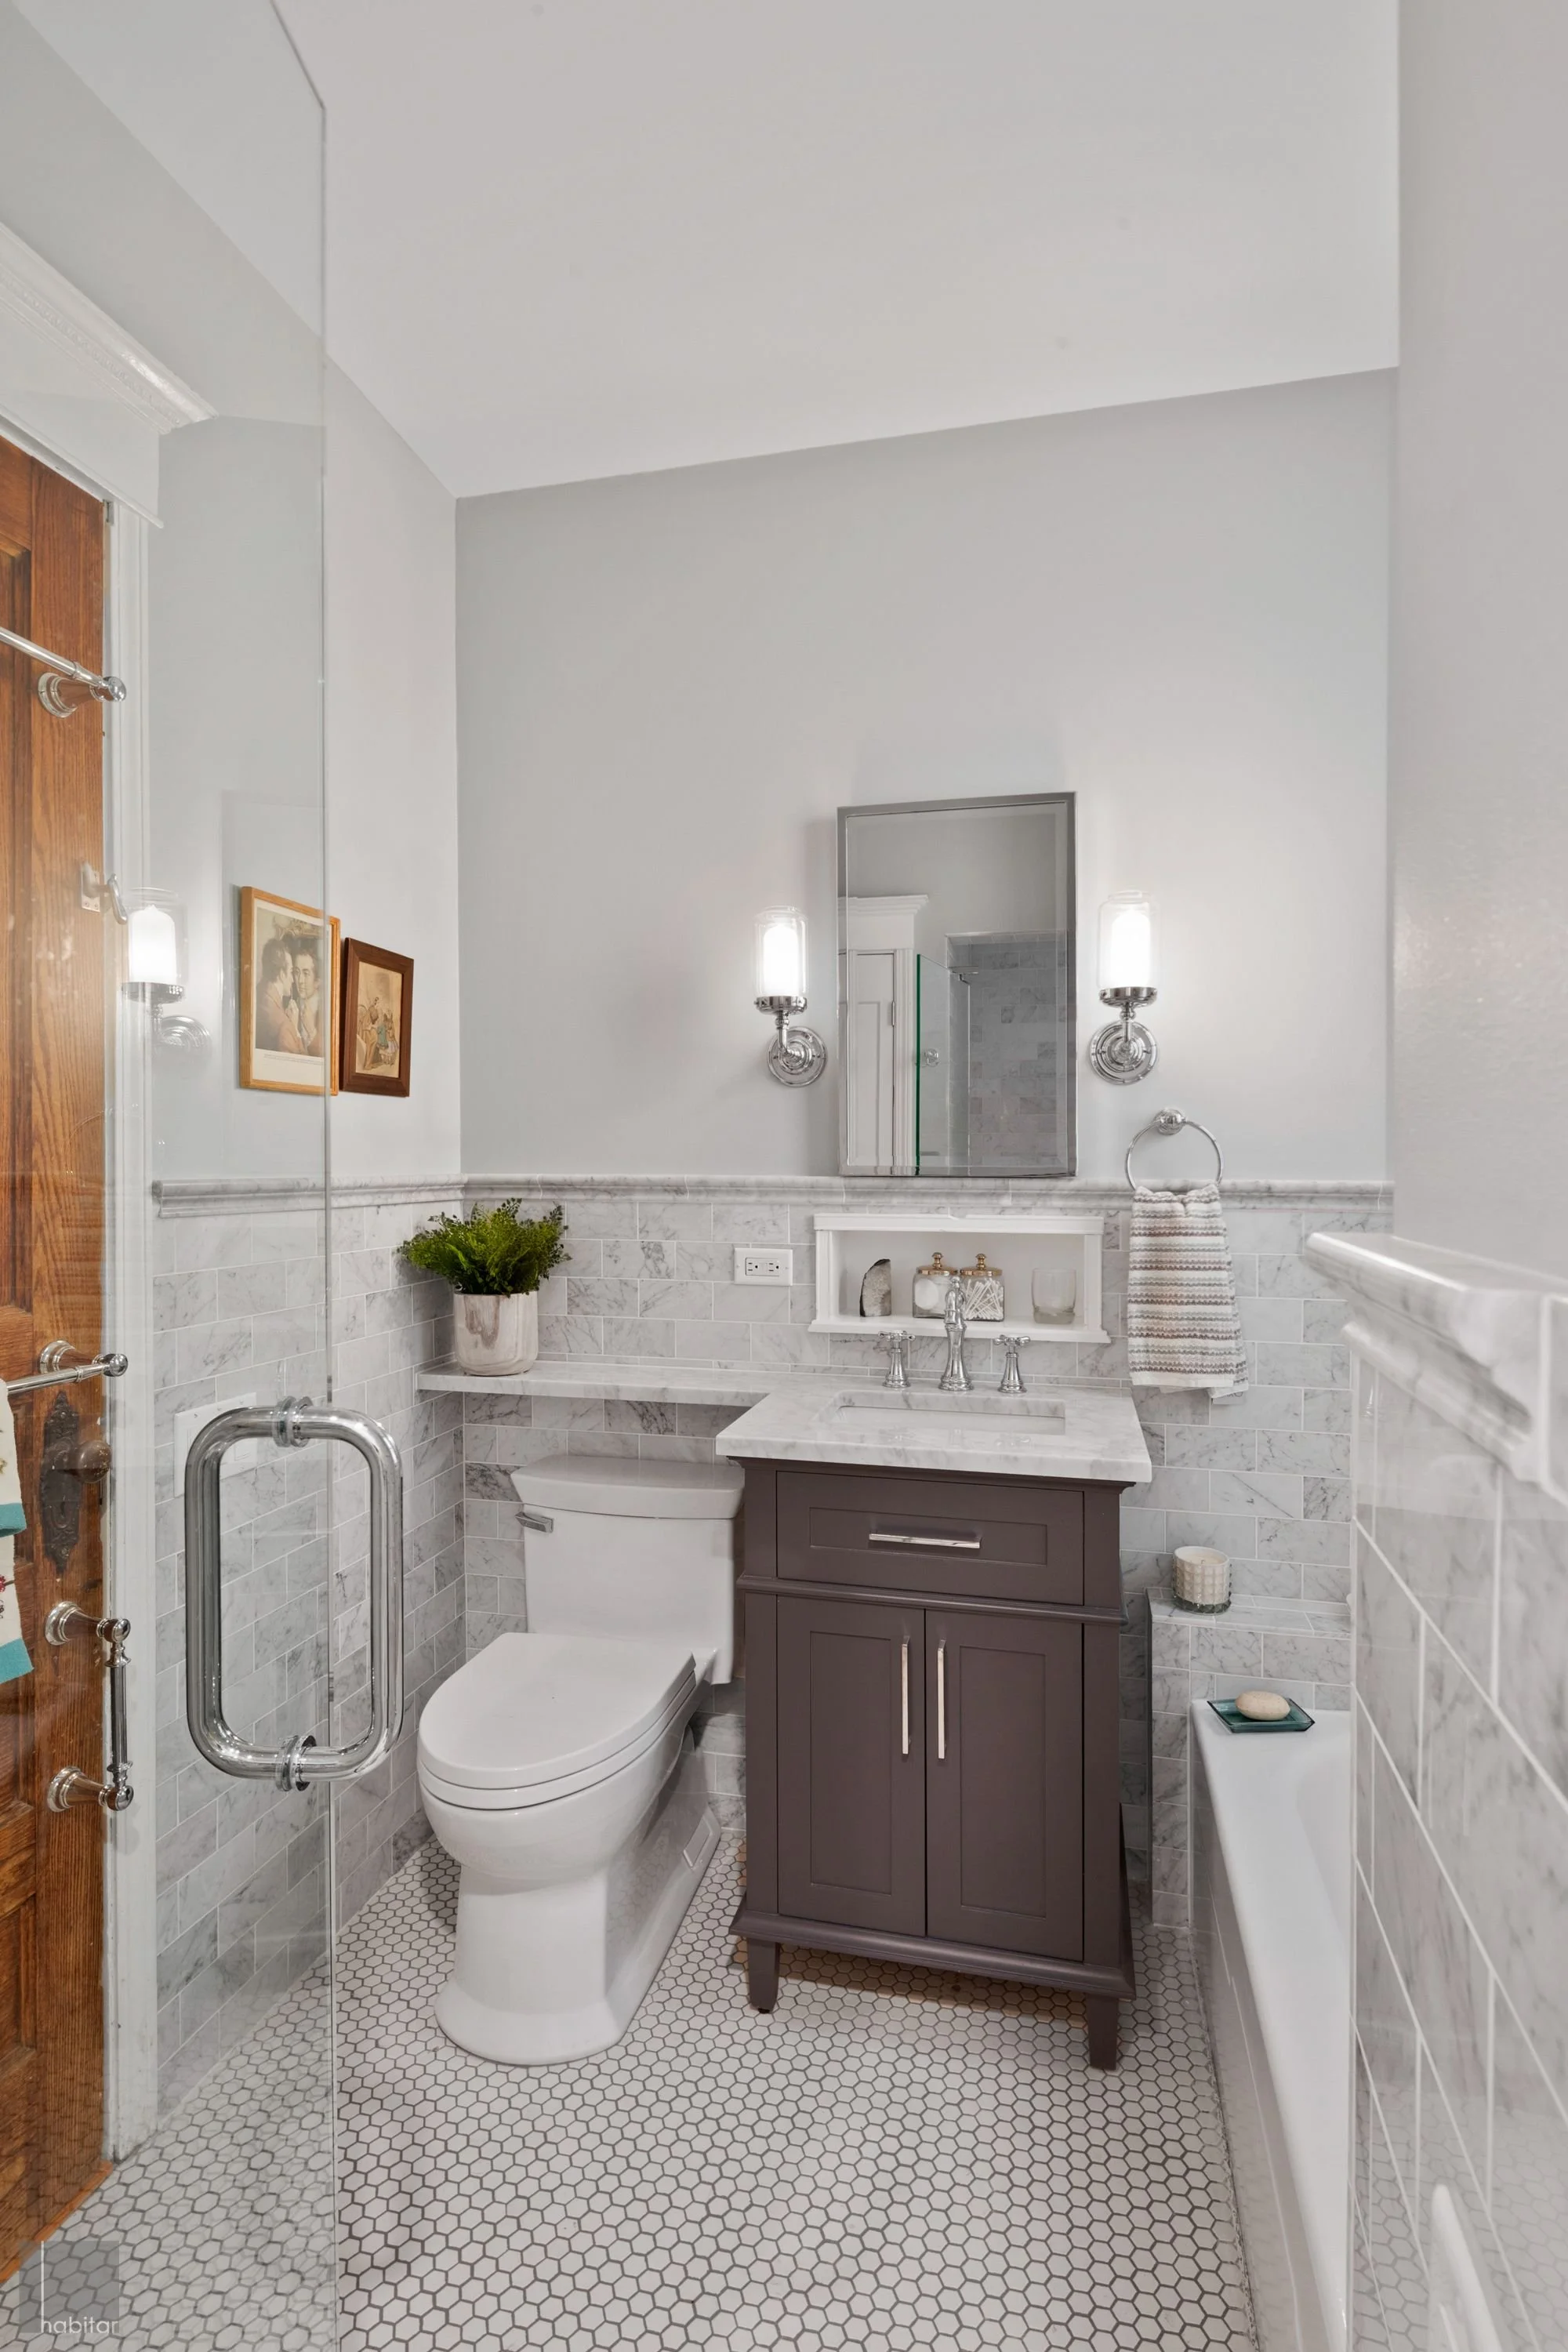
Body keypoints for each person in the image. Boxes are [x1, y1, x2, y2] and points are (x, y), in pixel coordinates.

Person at [256, 935, 303, 1053]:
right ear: (282, 974)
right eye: (292, 972)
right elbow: (301, 1066)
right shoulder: (285, 1025)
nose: (293, 980)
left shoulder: (259, 993)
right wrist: (294, 1029)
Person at [290, 938, 325, 1058]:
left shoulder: (325, 1010)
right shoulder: (290, 1006)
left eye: (306, 974)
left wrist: (311, 1030)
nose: (299, 981)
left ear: (317, 981)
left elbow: (326, 1059)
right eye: (296, 972)